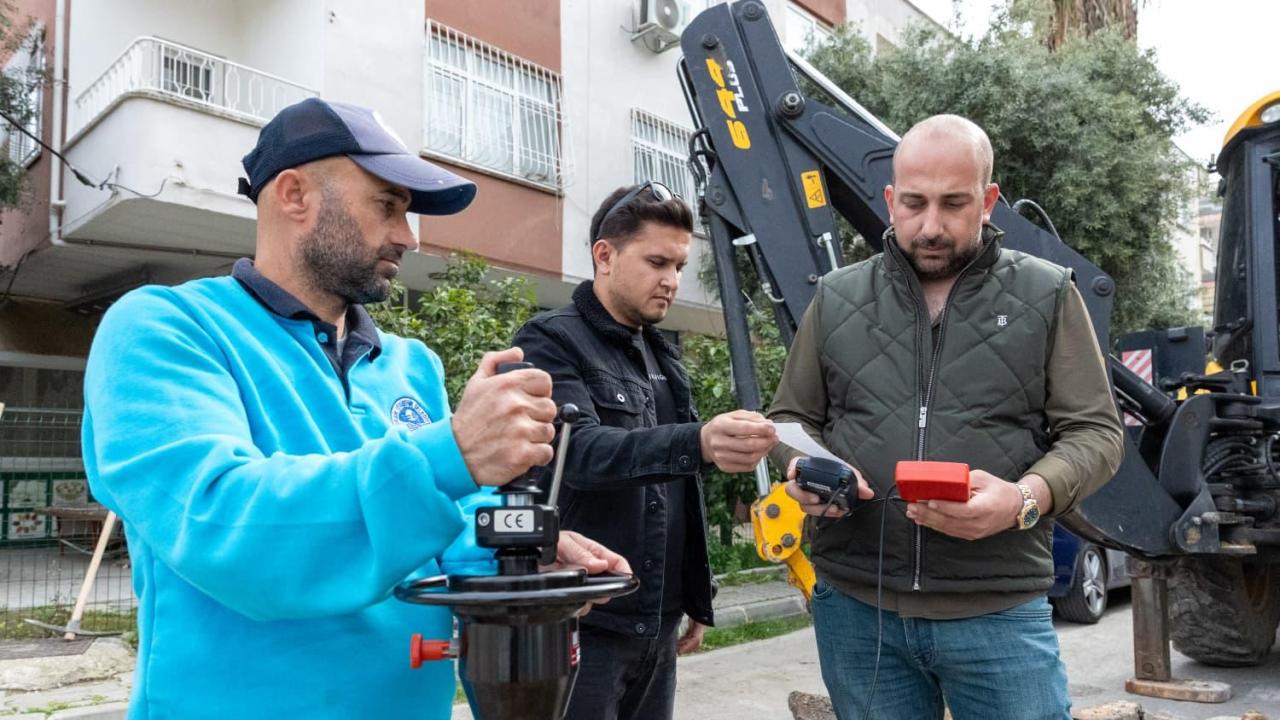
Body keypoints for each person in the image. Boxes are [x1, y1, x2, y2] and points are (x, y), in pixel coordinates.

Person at [81, 97, 628, 720]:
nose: (407, 235)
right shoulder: (166, 329)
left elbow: (441, 529)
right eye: (387, 205)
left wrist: (520, 558)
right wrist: (450, 453)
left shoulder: (408, 363)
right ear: (294, 194)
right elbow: (220, 522)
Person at [767, 114, 1124, 720]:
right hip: (857, 609)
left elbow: (1097, 434)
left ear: (987, 200)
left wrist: (1022, 499)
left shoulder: (1048, 294)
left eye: (954, 204)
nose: (930, 226)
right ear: (890, 200)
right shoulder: (835, 297)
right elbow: (789, 420)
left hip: (998, 612)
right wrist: (807, 469)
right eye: (913, 203)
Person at [513, 183, 778, 720]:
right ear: (604, 255)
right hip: (583, 619)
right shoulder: (548, 342)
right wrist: (698, 440)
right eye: (658, 261)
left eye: (679, 265)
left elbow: (678, 489)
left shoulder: (662, 352)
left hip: (656, 620)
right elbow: (579, 452)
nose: (672, 281)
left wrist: (694, 596)